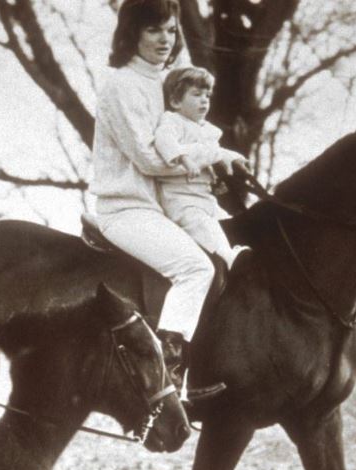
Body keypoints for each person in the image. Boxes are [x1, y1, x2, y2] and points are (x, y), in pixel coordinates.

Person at [88, 0, 230, 396]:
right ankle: (168, 375)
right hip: (127, 209)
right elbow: (149, 160)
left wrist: (215, 171)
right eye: (154, 30)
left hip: (168, 207)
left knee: (229, 255)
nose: (165, 40)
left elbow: (190, 141)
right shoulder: (120, 84)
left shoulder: (169, 83)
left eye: (171, 31)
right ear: (132, 32)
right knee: (195, 269)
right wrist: (211, 157)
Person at [154, 66, 247, 269]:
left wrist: (232, 161)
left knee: (229, 221)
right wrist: (183, 158)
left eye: (207, 95)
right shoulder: (172, 121)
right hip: (182, 200)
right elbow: (164, 141)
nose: (204, 100)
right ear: (175, 101)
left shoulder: (208, 131)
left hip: (205, 199)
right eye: (196, 95)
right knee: (205, 228)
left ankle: (240, 251)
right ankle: (231, 260)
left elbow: (216, 154)